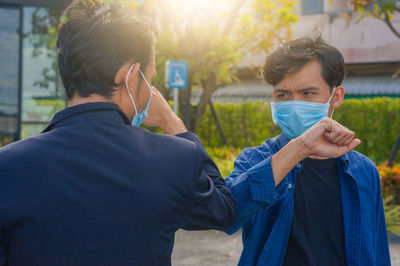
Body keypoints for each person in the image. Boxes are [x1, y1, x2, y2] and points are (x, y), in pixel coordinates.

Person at [0, 1, 238, 265]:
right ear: (130, 75)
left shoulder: (8, 165)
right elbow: (223, 211)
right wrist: (174, 124)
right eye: (151, 78)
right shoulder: (176, 159)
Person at [225, 36, 391, 266]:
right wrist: (301, 147)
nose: (294, 104)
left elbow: (377, 249)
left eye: (308, 93)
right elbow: (227, 215)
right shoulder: (256, 160)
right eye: (283, 94)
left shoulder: (363, 170)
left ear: (336, 97)